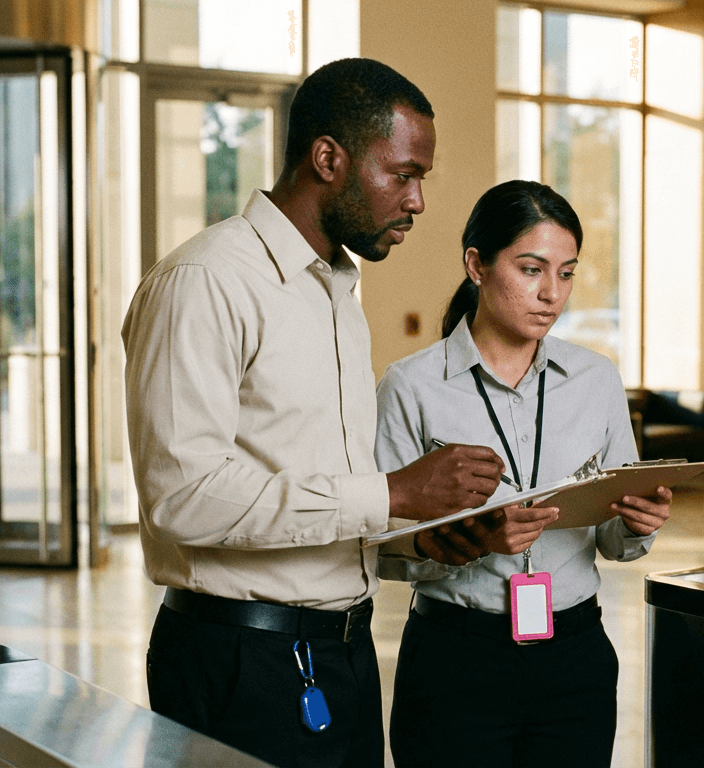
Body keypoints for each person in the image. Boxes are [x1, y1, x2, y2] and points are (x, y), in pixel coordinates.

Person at [121, 58, 508, 767]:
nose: (418, 201)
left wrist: (414, 539)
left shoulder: (334, 294)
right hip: (240, 661)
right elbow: (181, 497)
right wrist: (393, 491)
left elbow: (315, 488)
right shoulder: (205, 282)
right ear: (328, 157)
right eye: (404, 174)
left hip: (342, 656)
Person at [375, 180, 674, 768]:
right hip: (456, 657)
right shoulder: (411, 386)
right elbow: (381, 548)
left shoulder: (596, 380)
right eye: (532, 269)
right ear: (476, 265)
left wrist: (639, 524)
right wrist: (472, 541)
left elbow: (614, 543)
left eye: (566, 273)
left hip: (574, 658)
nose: (551, 293)